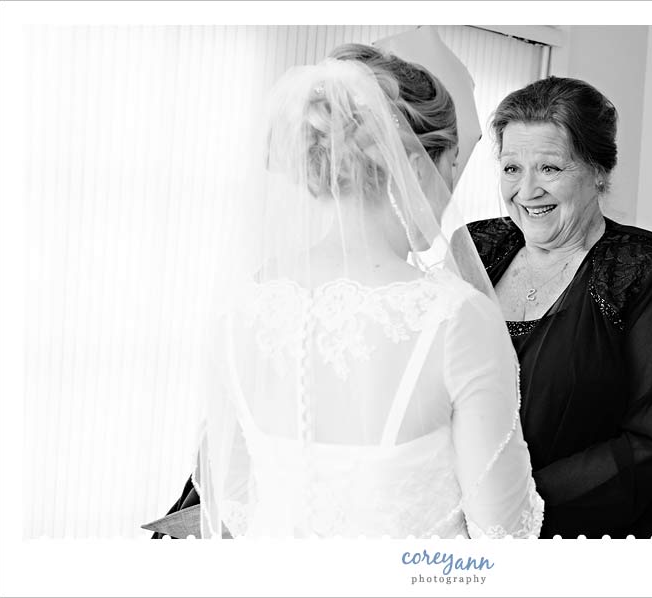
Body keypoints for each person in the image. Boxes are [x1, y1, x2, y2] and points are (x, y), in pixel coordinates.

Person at [145, 45, 542, 539]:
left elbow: (232, 498)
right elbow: (500, 531)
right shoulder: (453, 318)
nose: (449, 192)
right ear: (417, 167)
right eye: (452, 166)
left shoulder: (241, 311)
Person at [466, 76, 652, 538]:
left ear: (598, 171)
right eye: (512, 168)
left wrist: (515, 510)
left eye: (550, 169)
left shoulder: (647, 269)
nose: (526, 190)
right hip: (467, 534)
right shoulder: (475, 247)